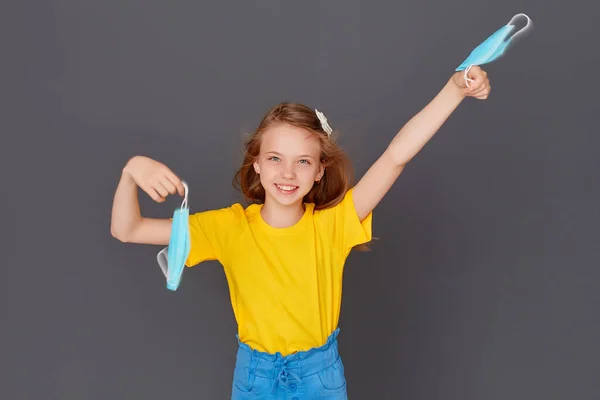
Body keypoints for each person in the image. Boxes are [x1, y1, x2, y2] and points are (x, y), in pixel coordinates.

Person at [110, 66, 491, 399]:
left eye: (303, 161)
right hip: (254, 379)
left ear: (319, 170)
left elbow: (396, 155)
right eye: (275, 159)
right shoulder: (227, 227)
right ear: (256, 163)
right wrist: (132, 170)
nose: (288, 174)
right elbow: (128, 229)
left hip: (319, 378)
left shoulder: (334, 224)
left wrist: (455, 89)